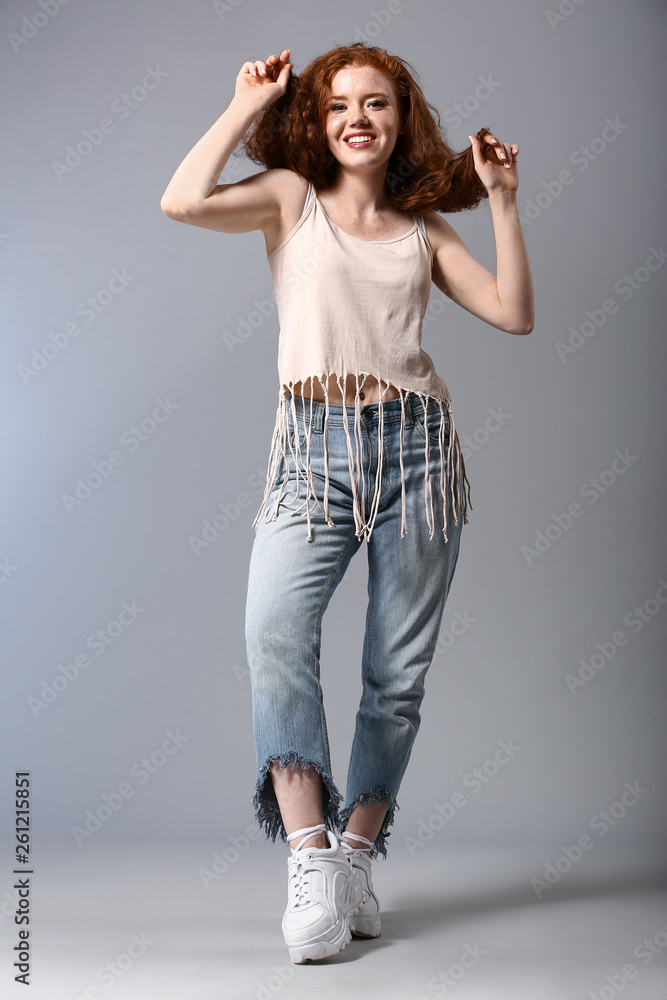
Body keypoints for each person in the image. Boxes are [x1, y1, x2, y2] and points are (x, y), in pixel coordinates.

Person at [161, 41, 534, 964]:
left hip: (416, 451)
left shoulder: (421, 226)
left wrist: (500, 202)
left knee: (394, 678)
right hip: (313, 451)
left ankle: (360, 852)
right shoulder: (291, 201)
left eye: (376, 103)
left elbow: (515, 313)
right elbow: (180, 200)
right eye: (336, 106)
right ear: (314, 123)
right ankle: (309, 854)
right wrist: (243, 103)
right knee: (275, 635)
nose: (356, 118)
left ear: (402, 120)